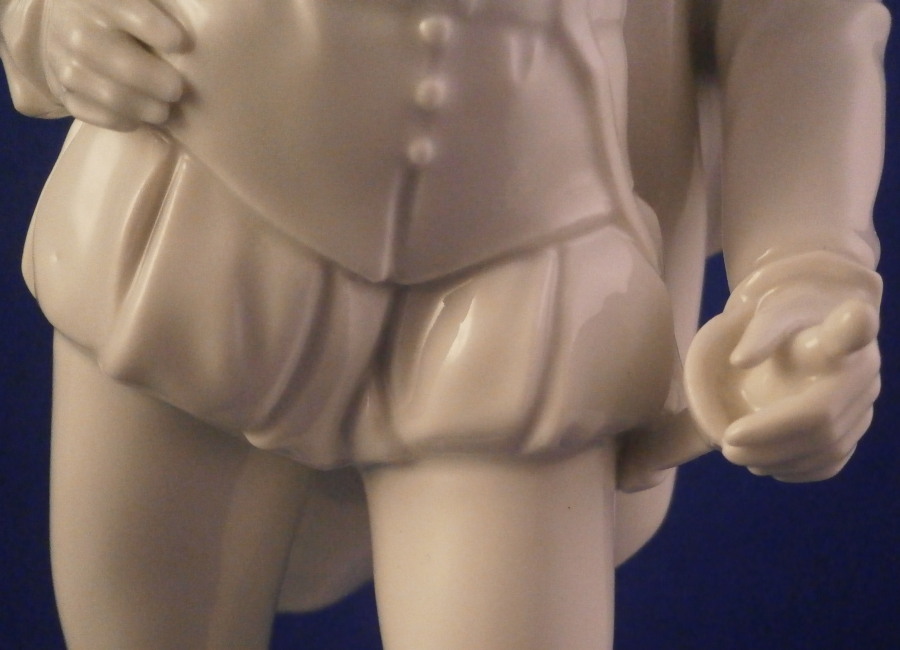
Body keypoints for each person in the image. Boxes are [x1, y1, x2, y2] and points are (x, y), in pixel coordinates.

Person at [0, 0, 888, 647]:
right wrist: (47, 22)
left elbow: (796, 21)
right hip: (194, 211)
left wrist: (805, 270)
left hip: (525, 273)